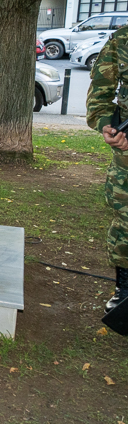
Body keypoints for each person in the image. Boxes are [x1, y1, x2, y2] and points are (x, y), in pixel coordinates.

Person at [86, 26, 128, 313]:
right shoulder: (123, 39)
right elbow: (99, 96)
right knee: (125, 224)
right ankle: (124, 291)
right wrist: (108, 127)